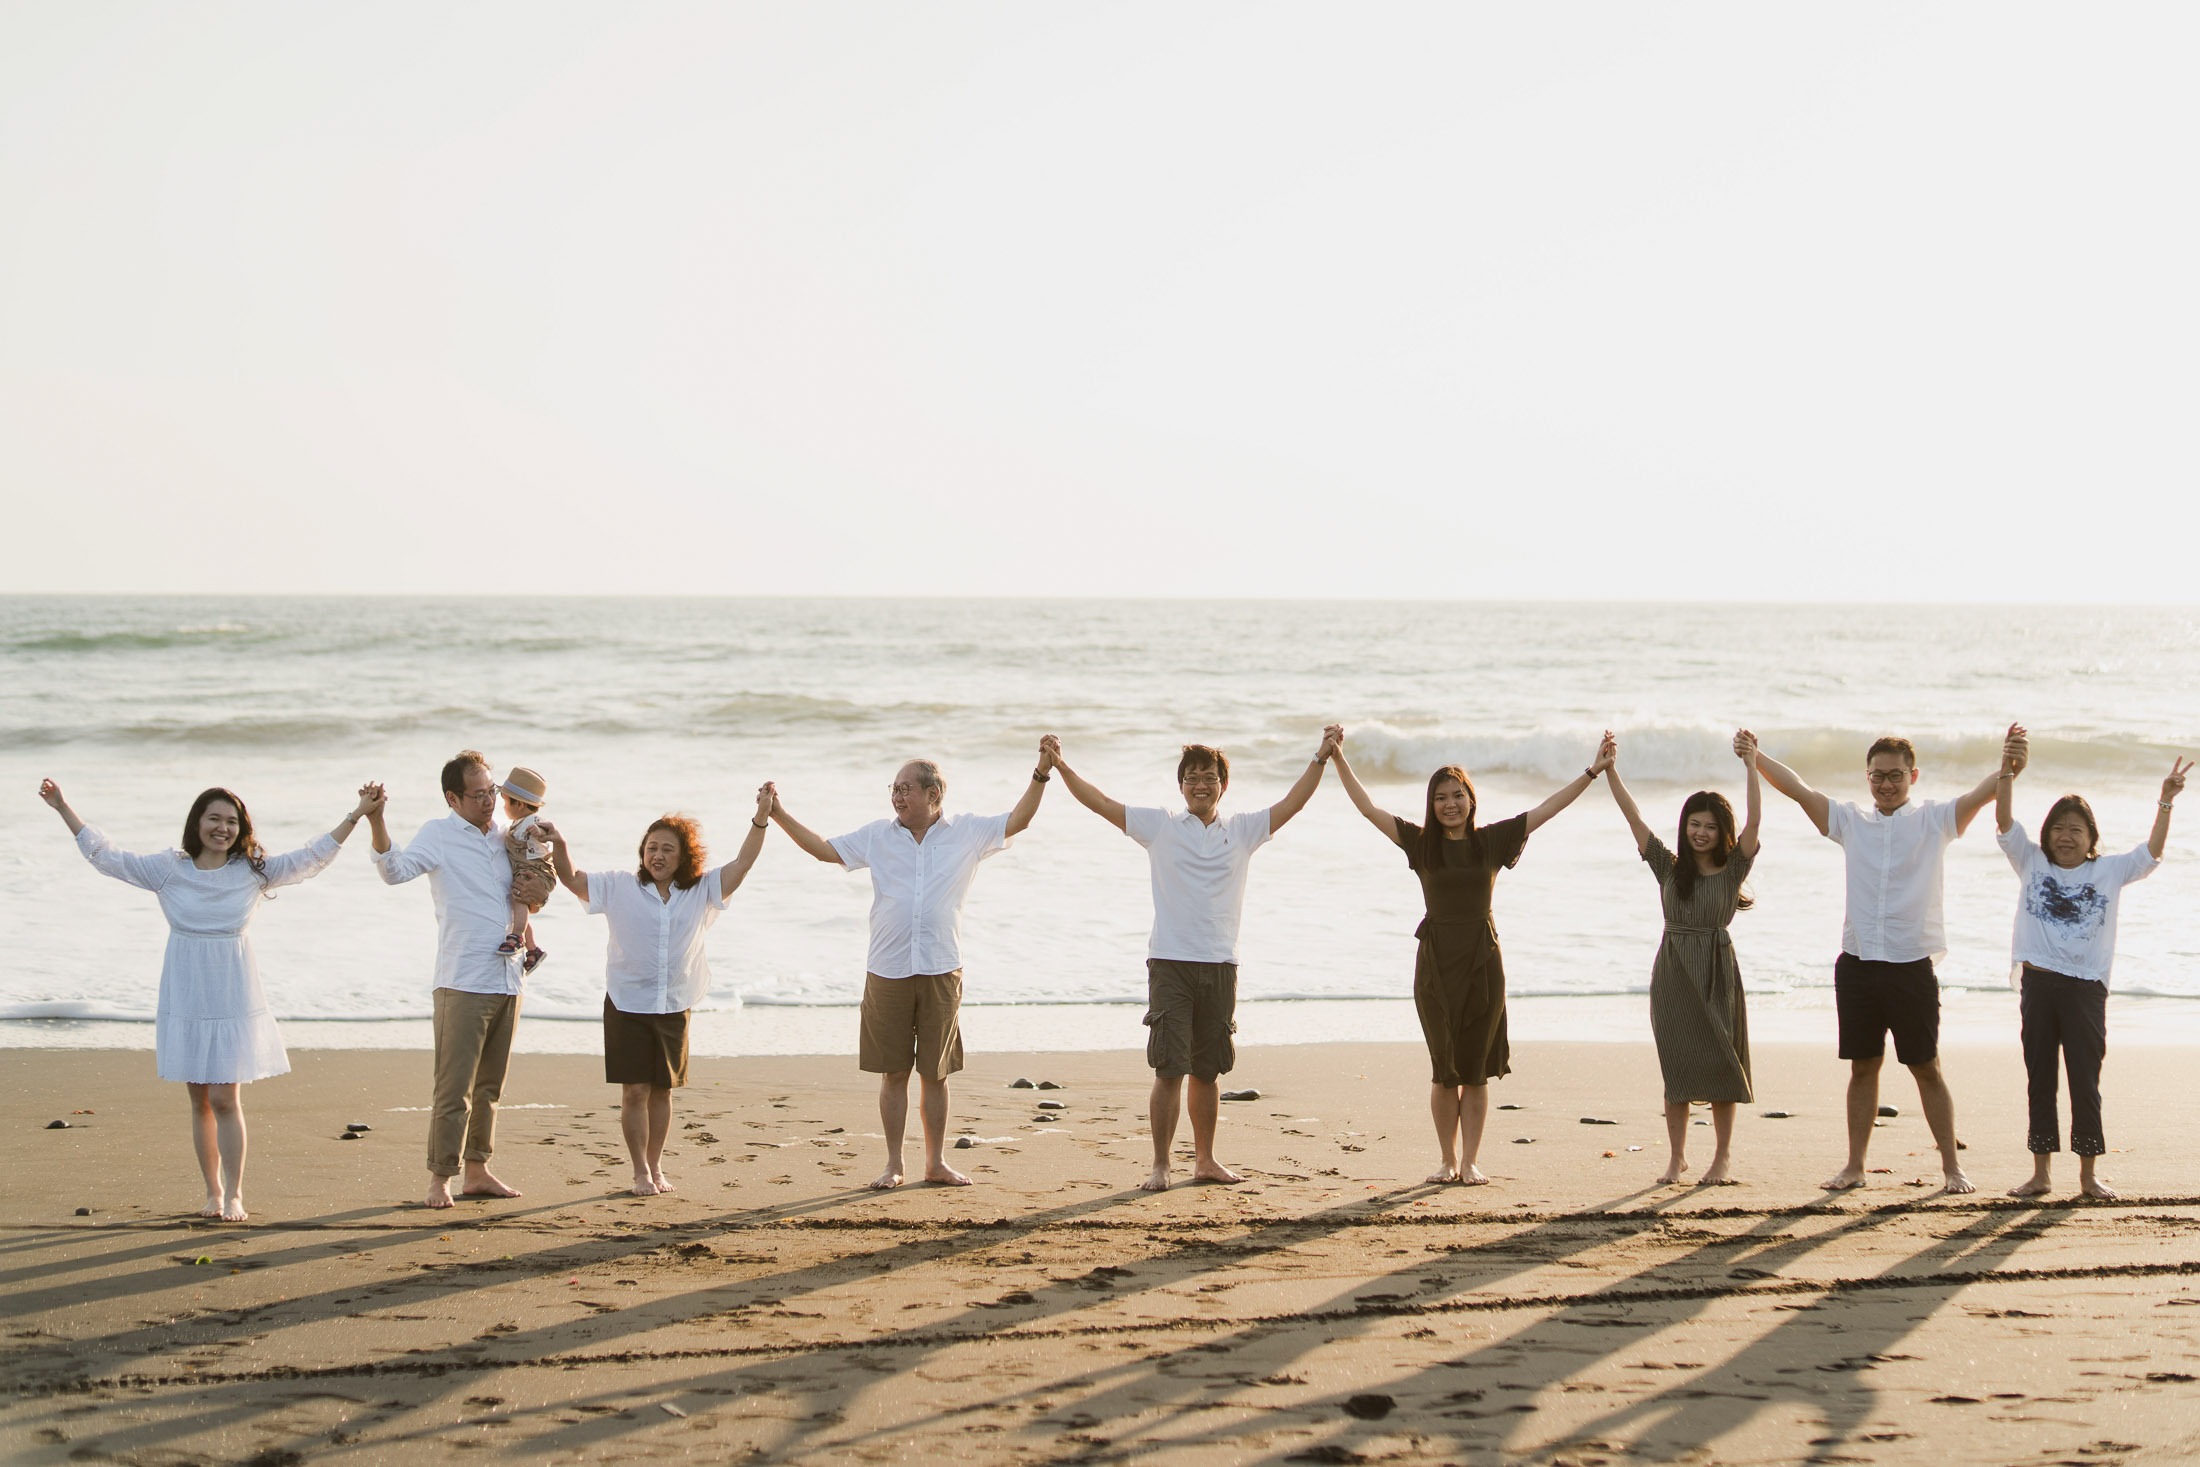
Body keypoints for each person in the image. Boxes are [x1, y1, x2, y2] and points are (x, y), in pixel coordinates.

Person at [37, 777, 383, 1222]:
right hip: (186, 989)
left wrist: (357, 814)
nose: (223, 828)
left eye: (231, 821)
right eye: (214, 819)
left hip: (232, 990)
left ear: (242, 828)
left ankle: (236, 1194)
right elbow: (108, 857)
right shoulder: (168, 869)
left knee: (225, 1099)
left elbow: (313, 856)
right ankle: (212, 1193)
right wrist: (64, 807)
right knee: (199, 1100)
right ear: (197, 823)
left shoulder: (253, 870)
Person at [1329, 728, 1614, 1186]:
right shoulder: (1421, 843)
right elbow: (1367, 809)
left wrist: (1592, 771)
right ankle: (1446, 1161)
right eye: (1441, 797)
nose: (1450, 804)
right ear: (1432, 804)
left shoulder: (1491, 842)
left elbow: (1548, 809)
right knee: (1445, 1071)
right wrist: (1338, 757)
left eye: (1457, 795)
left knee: (1476, 1072)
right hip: (1437, 964)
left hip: (1483, 964)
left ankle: (1472, 1162)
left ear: (1470, 799)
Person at [1049, 730, 1331, 1192]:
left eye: (1210, 777)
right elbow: (1099, 802)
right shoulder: (1160, 827)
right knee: (1169, 1068)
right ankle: (1160, 1165)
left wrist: (1320, 757)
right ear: (1180, 785)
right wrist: (1059, 767)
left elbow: (1292, 803)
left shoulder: (1242, 830)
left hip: (1221, 964)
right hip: (1170, 963)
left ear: (1223, 785)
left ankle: (1205, 1160)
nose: (1201, 784)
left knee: (1207, 1069)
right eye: (1192, 777)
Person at [1751, 724, 2025, 1194]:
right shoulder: (1849, 820)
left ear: (1913, 776)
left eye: (1895, 775)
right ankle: (1854, 1166)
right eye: (1877, 776)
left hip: (1910, 965)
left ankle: (1951, 1169)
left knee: (1925, 1067)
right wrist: (1755, 756)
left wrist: (2009, 767)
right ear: (1867, 776)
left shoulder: (1935, 821)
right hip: (1857, 963)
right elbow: (1798, 790)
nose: (1886, 784)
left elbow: (1984, 794)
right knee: (1863, 1067)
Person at [769, 742, 1055, 1189]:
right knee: (894, 1072)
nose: (897, 797)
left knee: (935, 1074)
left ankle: (936, 1163)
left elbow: (1019, 818)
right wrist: (779, 813)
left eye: (905, 789)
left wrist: (1041, 772)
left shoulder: (967, 832)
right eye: (894, 789)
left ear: (933, 794)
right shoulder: (877, 836)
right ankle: (894, 1164)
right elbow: (824, 850)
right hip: (888, 968)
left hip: (942, 966)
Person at [544, 785, 775, 1196]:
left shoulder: (702, 889)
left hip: (673, 1004)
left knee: (662, 1091)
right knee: (634, 1090)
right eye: (651, 848)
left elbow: (744, 862)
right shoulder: (619, 886)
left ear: (683, 857)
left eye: (667, 849)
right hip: (626, 1002)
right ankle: (639, 1173)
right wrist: (560, 843)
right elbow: (573, 880)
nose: (657, 856)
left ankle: (656, 1165)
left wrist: (761, 816)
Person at [1996, 741, 2187, 1200]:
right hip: (2039, 983)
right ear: (2047, 835)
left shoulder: (2109, 871)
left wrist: (2165, 800)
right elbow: (2004, 823)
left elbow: (2152, 854)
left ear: (2091, 836)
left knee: (2085, 1080)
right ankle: (2040, 1175)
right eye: (2059, 828)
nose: (2066, 836)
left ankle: (2087, 1177)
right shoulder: (2031, 861)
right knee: (2039, 1076)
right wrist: (2006, 774)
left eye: (2076, 830)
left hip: (2086, 989)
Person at [368, 750, 555, 1210]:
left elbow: (535, 885)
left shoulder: (507, 835)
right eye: (478, 794)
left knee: (490, 1087)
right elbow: (393, 872)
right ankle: (439, 1179)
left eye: (492, 791)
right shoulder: (438, 834)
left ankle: (477, 1171)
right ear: (453, 798)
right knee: (454, 1088)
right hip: (462, 978)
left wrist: (542, 888)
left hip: (509, 977)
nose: (489, 801)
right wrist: (377, 820)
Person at [1603, 732, 1762, 1186]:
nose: (1700, 832)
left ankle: (1722, 1158)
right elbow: (1633, 818)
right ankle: (1676, 1158)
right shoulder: (1668, 867)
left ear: (1721, 832)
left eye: (1710, 825)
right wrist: (1611, 770)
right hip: (1672, 972)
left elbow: (1754, 823)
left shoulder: (1735, 868)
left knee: (1722, 1065)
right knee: (1676, 1068)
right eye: (1694, 823)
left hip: (1716, 971)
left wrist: (1751, 767)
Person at [494, 766, 554, 973]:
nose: (503, 807)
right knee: (517, 903)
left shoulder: (532, 821)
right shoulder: (516, 823)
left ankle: (516, 936)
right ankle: (532, 949)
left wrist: (538, 832)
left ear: (518, 804)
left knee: (519, 897)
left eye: (505, 802)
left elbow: (545, 828)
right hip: (526, 868)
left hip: (536, 869)